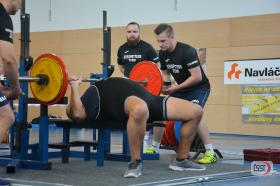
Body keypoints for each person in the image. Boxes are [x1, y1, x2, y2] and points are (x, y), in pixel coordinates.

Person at [67, 76, 206, 178]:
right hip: (131, 104)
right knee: (140, 109)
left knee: (196, 111)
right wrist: (74, 86)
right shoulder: (88, 102)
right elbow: (77, 115)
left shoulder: (90, 96)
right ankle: (135, 162)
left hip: (149, 99)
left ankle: (181, 160)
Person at [153, 23, 217, 164]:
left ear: (172, 37)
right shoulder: (163, 54)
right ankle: (154, 148)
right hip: (181, 88)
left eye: (163, 41)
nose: (160, 44)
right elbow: (165, 72)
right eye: (158, 41)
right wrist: (167, 84)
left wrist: (175, 88)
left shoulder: (187, 51)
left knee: (195, 114)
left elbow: (197, 77)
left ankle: (211, 153)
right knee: (159, 110)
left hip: (198, 88)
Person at [117, 21, 161, 153]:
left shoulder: (147, 48)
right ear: (126, 33)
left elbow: (157, 67)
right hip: (130, 88)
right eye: (129, 32)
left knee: (148, 114)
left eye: (135, 32)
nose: (132, 34)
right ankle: (137, 145)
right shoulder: (122, 49)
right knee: (133, 114)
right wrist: (128, 76)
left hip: (147, 88)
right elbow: (121, 65)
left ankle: (152, 146)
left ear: (139, 33)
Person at [0, 0, 22, 145]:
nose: (21, 4)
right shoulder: (2, 16)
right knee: (7, 116)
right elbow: (9, 60)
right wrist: (15, 88)